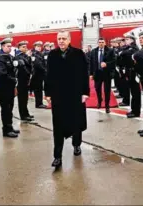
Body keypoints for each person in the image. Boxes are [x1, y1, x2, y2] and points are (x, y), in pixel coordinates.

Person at [45, 30, 90, 168]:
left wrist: (85, 92)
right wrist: (47, 93)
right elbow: (49, 75)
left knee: (76, 122)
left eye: (64, 38)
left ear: (69, 40)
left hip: (75, 94)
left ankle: (76, 145)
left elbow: (84, 73)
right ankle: (57, 156)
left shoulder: (78, 54)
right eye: (59, 39)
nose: (61, 41)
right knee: (58, 125)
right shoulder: (52, 55)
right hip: (58, 96)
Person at [0, 37, 20, 138]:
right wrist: (13, 79)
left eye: (11, 46)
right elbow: (1, 74)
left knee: (10, 108)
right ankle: (6, 130)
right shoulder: (0, 59)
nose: (10, 48)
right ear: (3, 46)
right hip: (4, 88)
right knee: (6, 110)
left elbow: (13, 70)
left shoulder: (9, 57)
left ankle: (10, 127)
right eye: (8, 46)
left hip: (10, 87)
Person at [90, 37, 116, 112]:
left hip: (106, 73)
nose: (101, 44)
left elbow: (114, 61)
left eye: (102, 42)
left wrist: (107, 64)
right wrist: (91, 74)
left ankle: (107, 106)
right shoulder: (93, 51)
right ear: (98, 43)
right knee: (97, 88)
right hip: (97, 73)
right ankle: (99, 100)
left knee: (107, 90)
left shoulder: (110, 51)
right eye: (100, 42)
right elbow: (91, 63)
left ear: (105, 43)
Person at [14, 40, 35, 122]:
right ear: (19, 48)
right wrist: (28, 57)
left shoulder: (25, 55)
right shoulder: (18, 56)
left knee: (25, 98)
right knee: (22, 99)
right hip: (21, 79)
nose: (25, 48)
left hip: (26, 79)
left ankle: (26, 113)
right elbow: (24, 67)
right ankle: (23, 115)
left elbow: (30, 66)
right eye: (23, 47)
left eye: (26, 46)